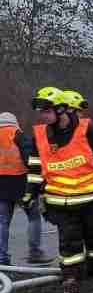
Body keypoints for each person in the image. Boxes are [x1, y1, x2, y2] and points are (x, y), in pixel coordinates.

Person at [24, 88, 93, 293]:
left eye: (47, 111)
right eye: (41, 111)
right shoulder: (40, 136)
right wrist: (29, 192)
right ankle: (70, 275)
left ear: (61, 109)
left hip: (91, 200)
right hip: (60, 202)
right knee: (70, 240)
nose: (43, 115)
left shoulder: (89, 131)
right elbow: (34, 168)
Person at [0, 110, 53, 266]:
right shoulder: (18, 135)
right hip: (22, 183)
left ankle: (2, 258)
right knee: (33, 217)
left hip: (1, 185)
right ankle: (35, 253)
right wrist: (40, 184)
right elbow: (31, 161)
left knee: (3, 222)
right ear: (14, 122)